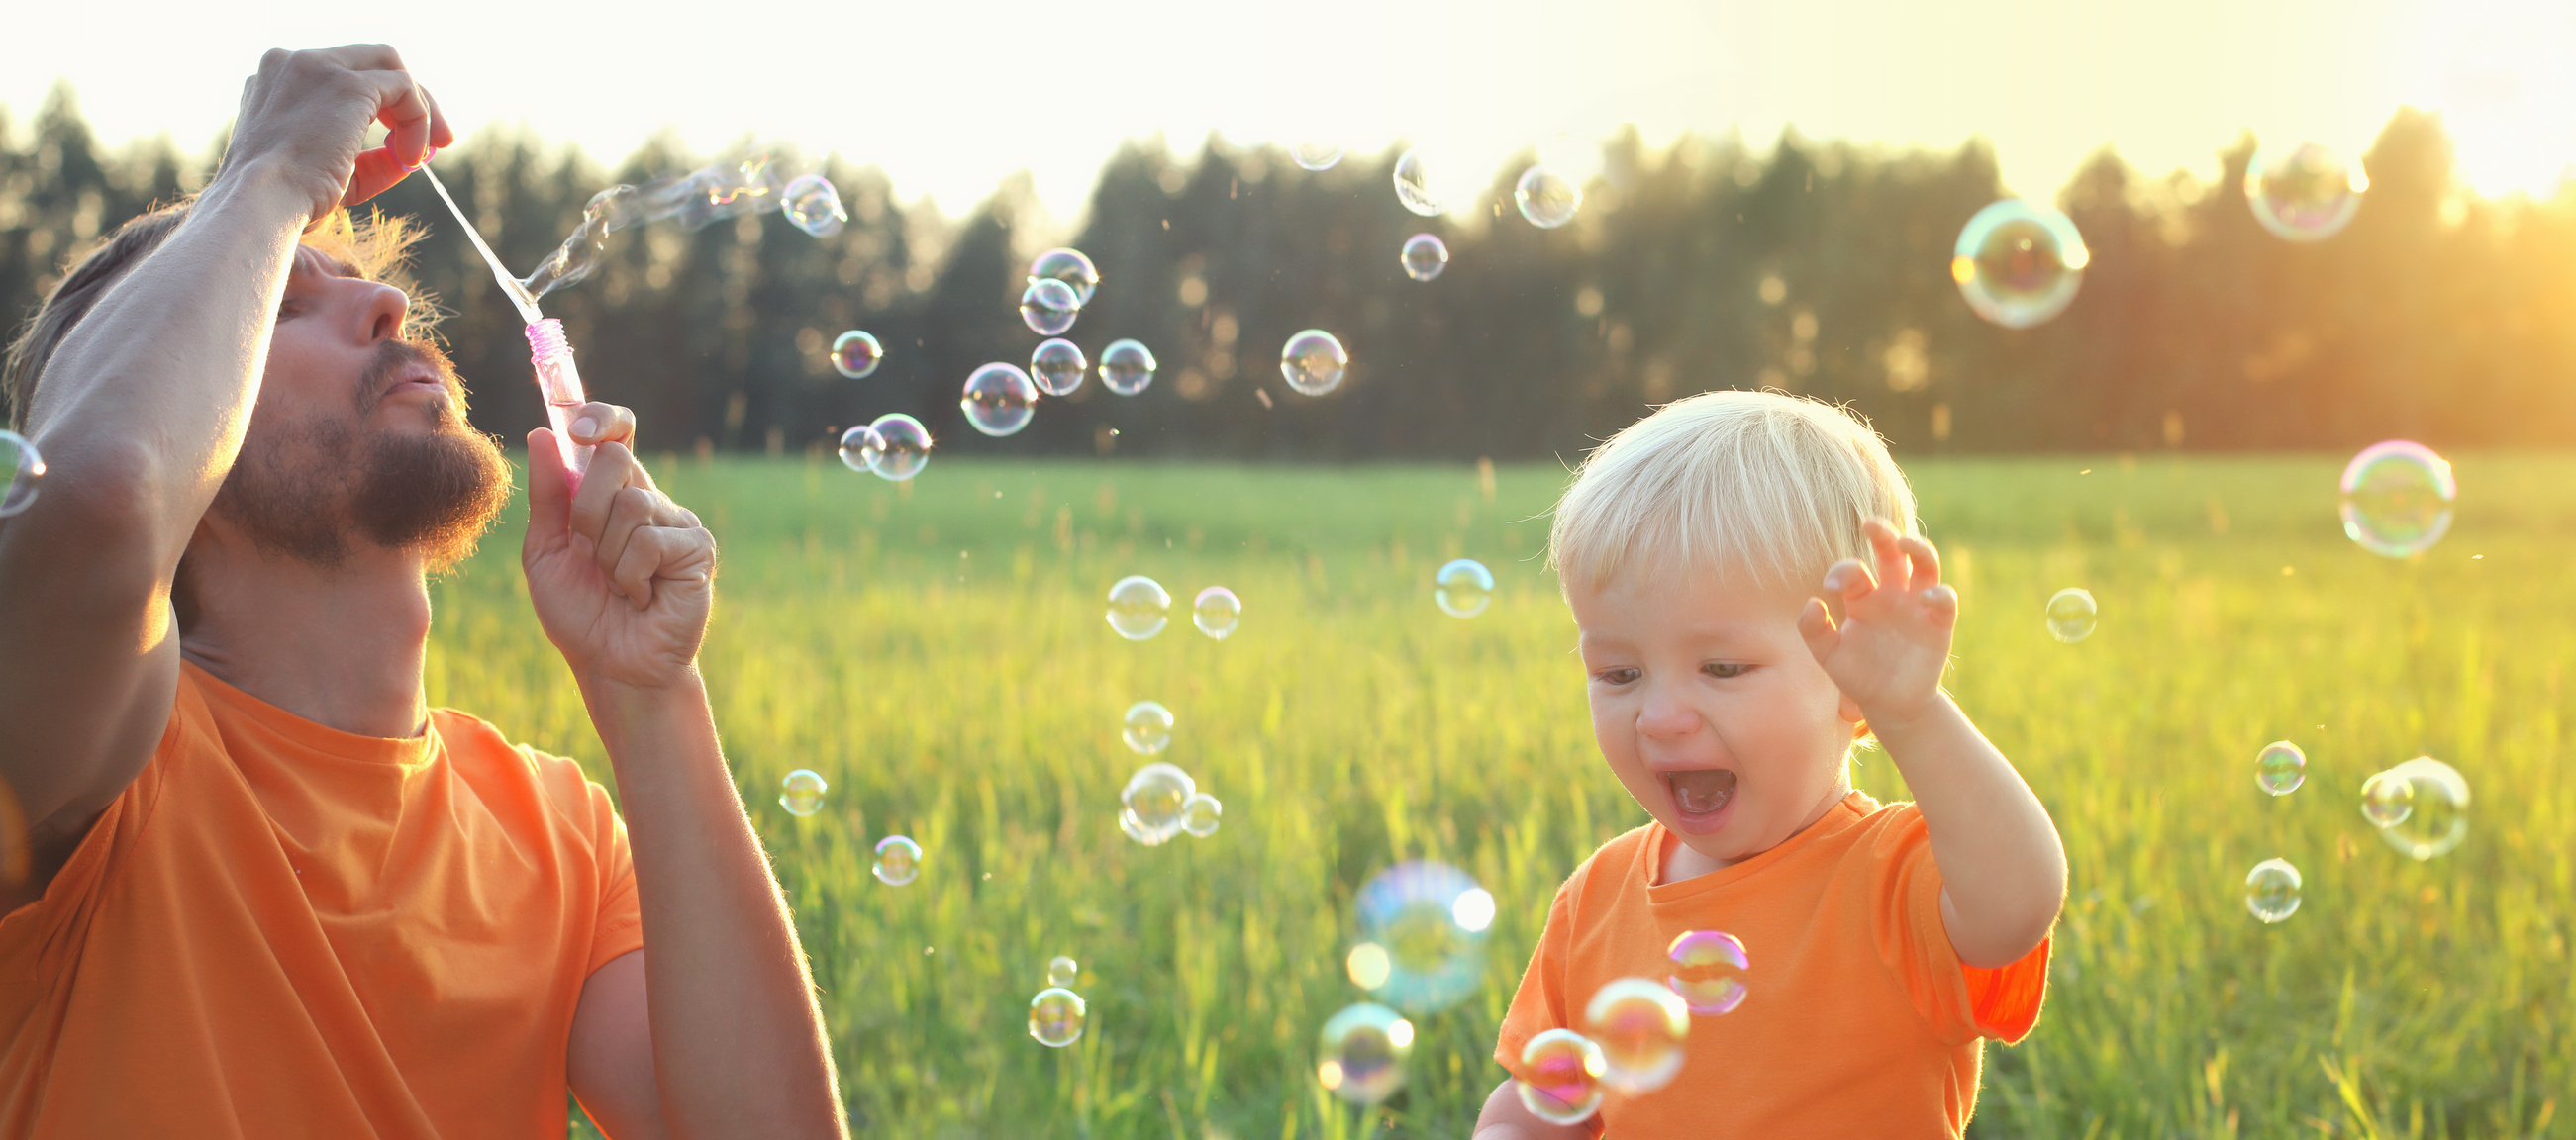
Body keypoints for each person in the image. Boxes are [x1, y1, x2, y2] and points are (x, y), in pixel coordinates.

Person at [0, 46, 845, 1138]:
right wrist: (264, 172)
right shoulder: (88, 773)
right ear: (186, 415)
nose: (391, 304)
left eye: (364, 282)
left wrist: (651, 694)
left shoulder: (555, 831)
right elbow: (105, 494)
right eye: (285, 306)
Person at [1470, 391, 2065, 1137]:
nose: (1659, 716)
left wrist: (1912, 714)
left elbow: (2020, 904)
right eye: (1620, 674)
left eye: (1721, 668)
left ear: (1850, 678)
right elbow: (1546, 1095)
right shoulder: (1596, 899)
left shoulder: (1894, 879)